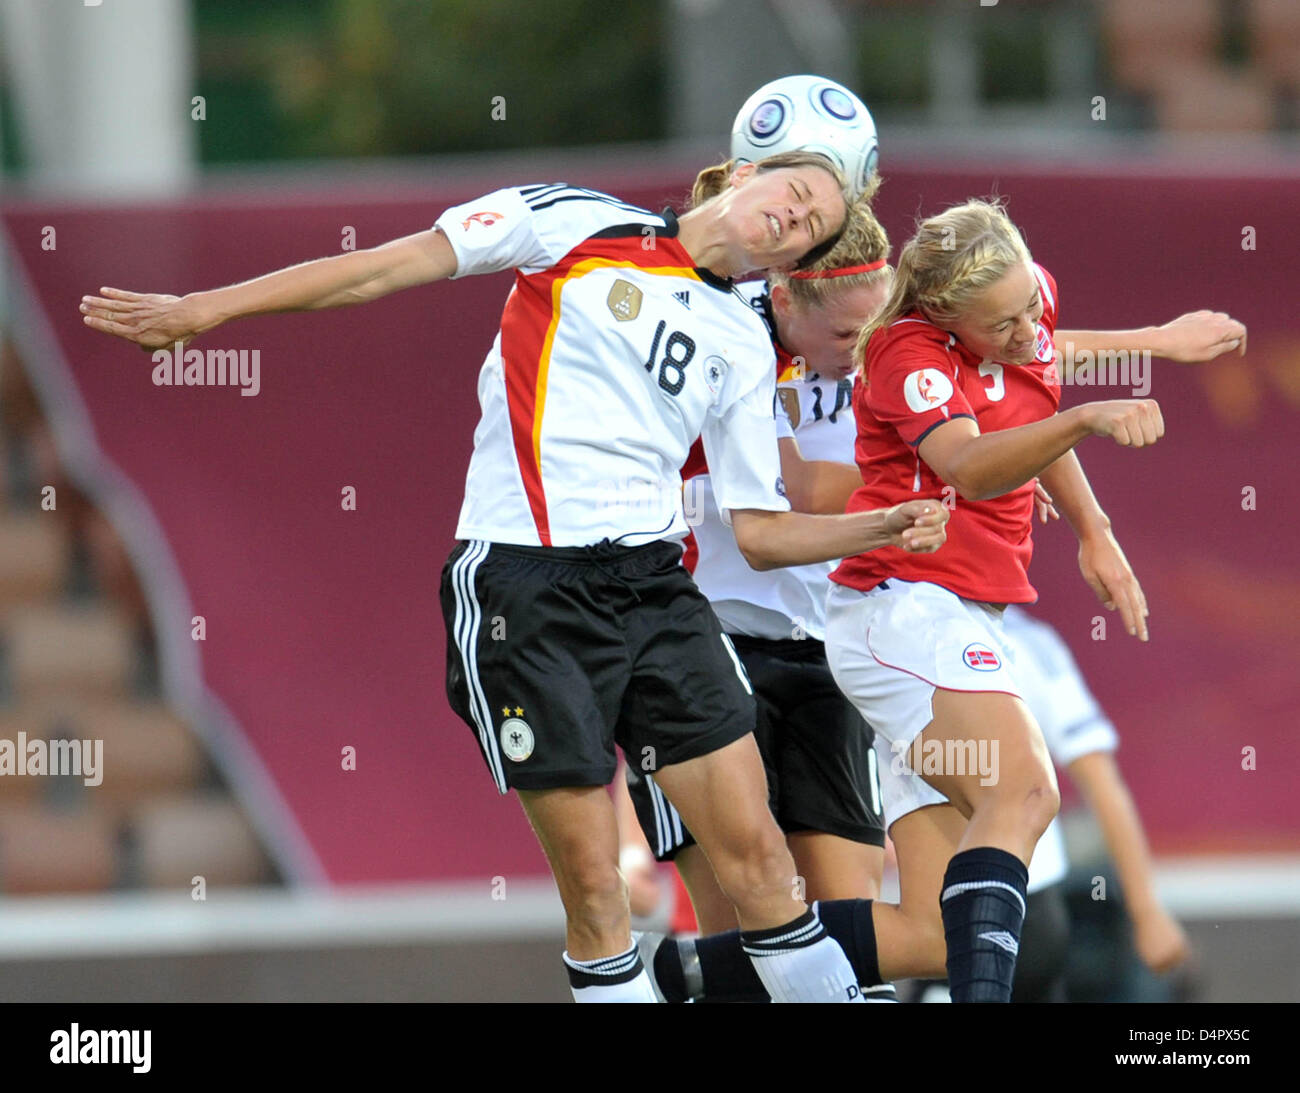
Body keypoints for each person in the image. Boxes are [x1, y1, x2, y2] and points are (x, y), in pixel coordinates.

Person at [78, 151, 950, 1003]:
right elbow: (389, 267)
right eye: (797, 192)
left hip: (654, 592)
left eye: (813, 226)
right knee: (598, 894)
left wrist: (884, 524)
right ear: (743, 175)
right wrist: (208, 307)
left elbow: (758, 531)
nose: (797, 216)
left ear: (793, 264)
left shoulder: (744, 346)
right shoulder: (573, 220)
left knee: (764, 867)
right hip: (525, 589)